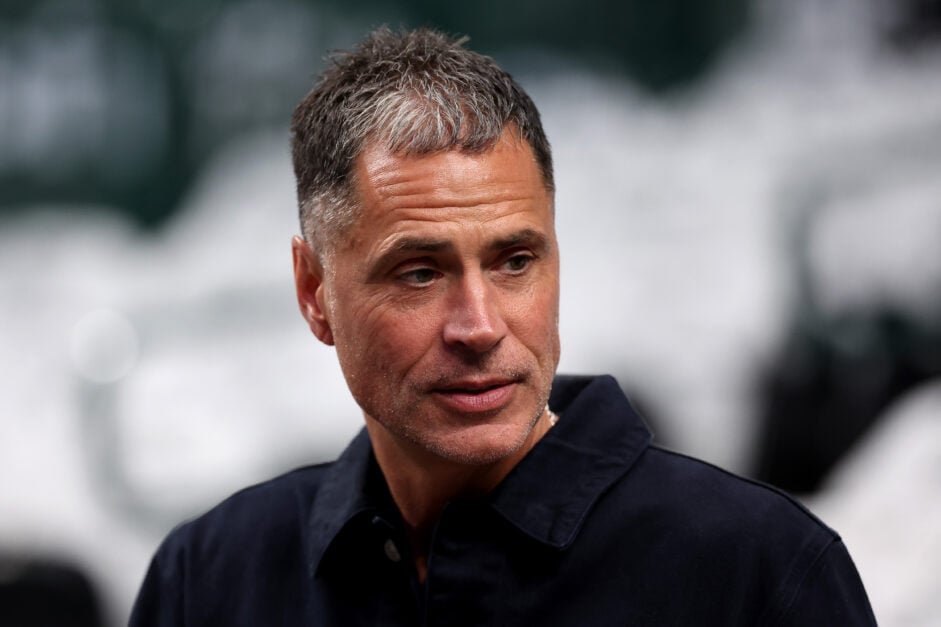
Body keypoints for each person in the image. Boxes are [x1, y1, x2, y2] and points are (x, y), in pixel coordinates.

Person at [129, 28, 876, 626]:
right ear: (314, 291)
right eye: (419, 272)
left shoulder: (757, 572)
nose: (479, 325)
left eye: (514, 260)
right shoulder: (210, 578)